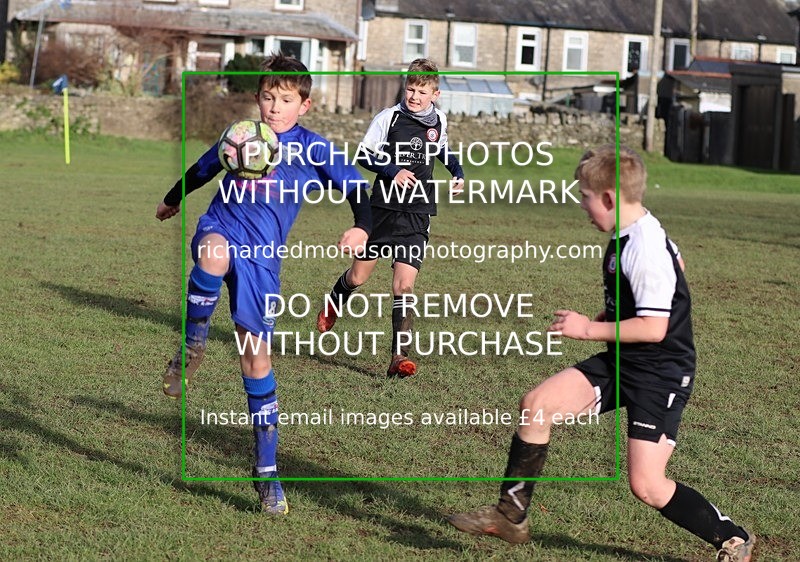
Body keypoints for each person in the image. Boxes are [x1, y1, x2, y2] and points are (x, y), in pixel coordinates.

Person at [447, 145, 754, 562]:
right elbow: (675, 271)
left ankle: (733, 538)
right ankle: (511, 515)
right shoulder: (630, 230)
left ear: (609, 198)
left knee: (647, 485)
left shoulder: (644, 247)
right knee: (537, 405)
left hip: (660, 373)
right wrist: (615, 316)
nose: (581, 205)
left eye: (585, 196)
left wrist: (588, 329)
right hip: (623, 359)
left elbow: (655, 327)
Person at [155, 54, 371, 514]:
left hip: (263, 261)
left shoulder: (315, 149)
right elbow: (203, 169)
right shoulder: (239, 135)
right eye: (269, 97)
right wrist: (173, 198)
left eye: (286, 99)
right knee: (213, 256)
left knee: (256, 360)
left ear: (305, 105)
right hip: (222, 227)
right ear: (257, 98)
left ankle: (267, 471)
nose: (275, 107)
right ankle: (192, 348)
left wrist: (362, 227)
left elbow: (358, 189)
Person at [315, 58, 464, 378]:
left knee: (404, 285)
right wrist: (393, 171)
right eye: (410, 89)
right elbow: (364, 155)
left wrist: (457, 171)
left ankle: (399, 358)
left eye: (421, 92)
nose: (414, 96)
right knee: (358, 278)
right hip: (382, 209)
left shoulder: (439, 120)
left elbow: (441, 149)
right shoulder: (389, 117)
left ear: (435, 94)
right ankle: (335, 300)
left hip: (417, 213)